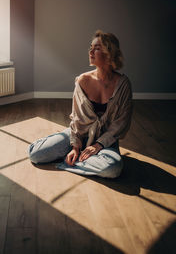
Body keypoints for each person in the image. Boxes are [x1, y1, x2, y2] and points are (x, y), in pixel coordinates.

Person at [28, 30, 133, 178]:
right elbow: (77, 119)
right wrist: (75, 146)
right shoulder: (83, 80)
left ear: (110, 53)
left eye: (97, 48)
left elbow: (120, 124)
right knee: (36, 154)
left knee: (113, 169)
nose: (90, 51)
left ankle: (70, 160)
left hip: (105, 141)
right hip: (78, 134)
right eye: (90, 47)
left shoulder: (123, 85)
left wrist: (97, 146)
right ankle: (72, 152)